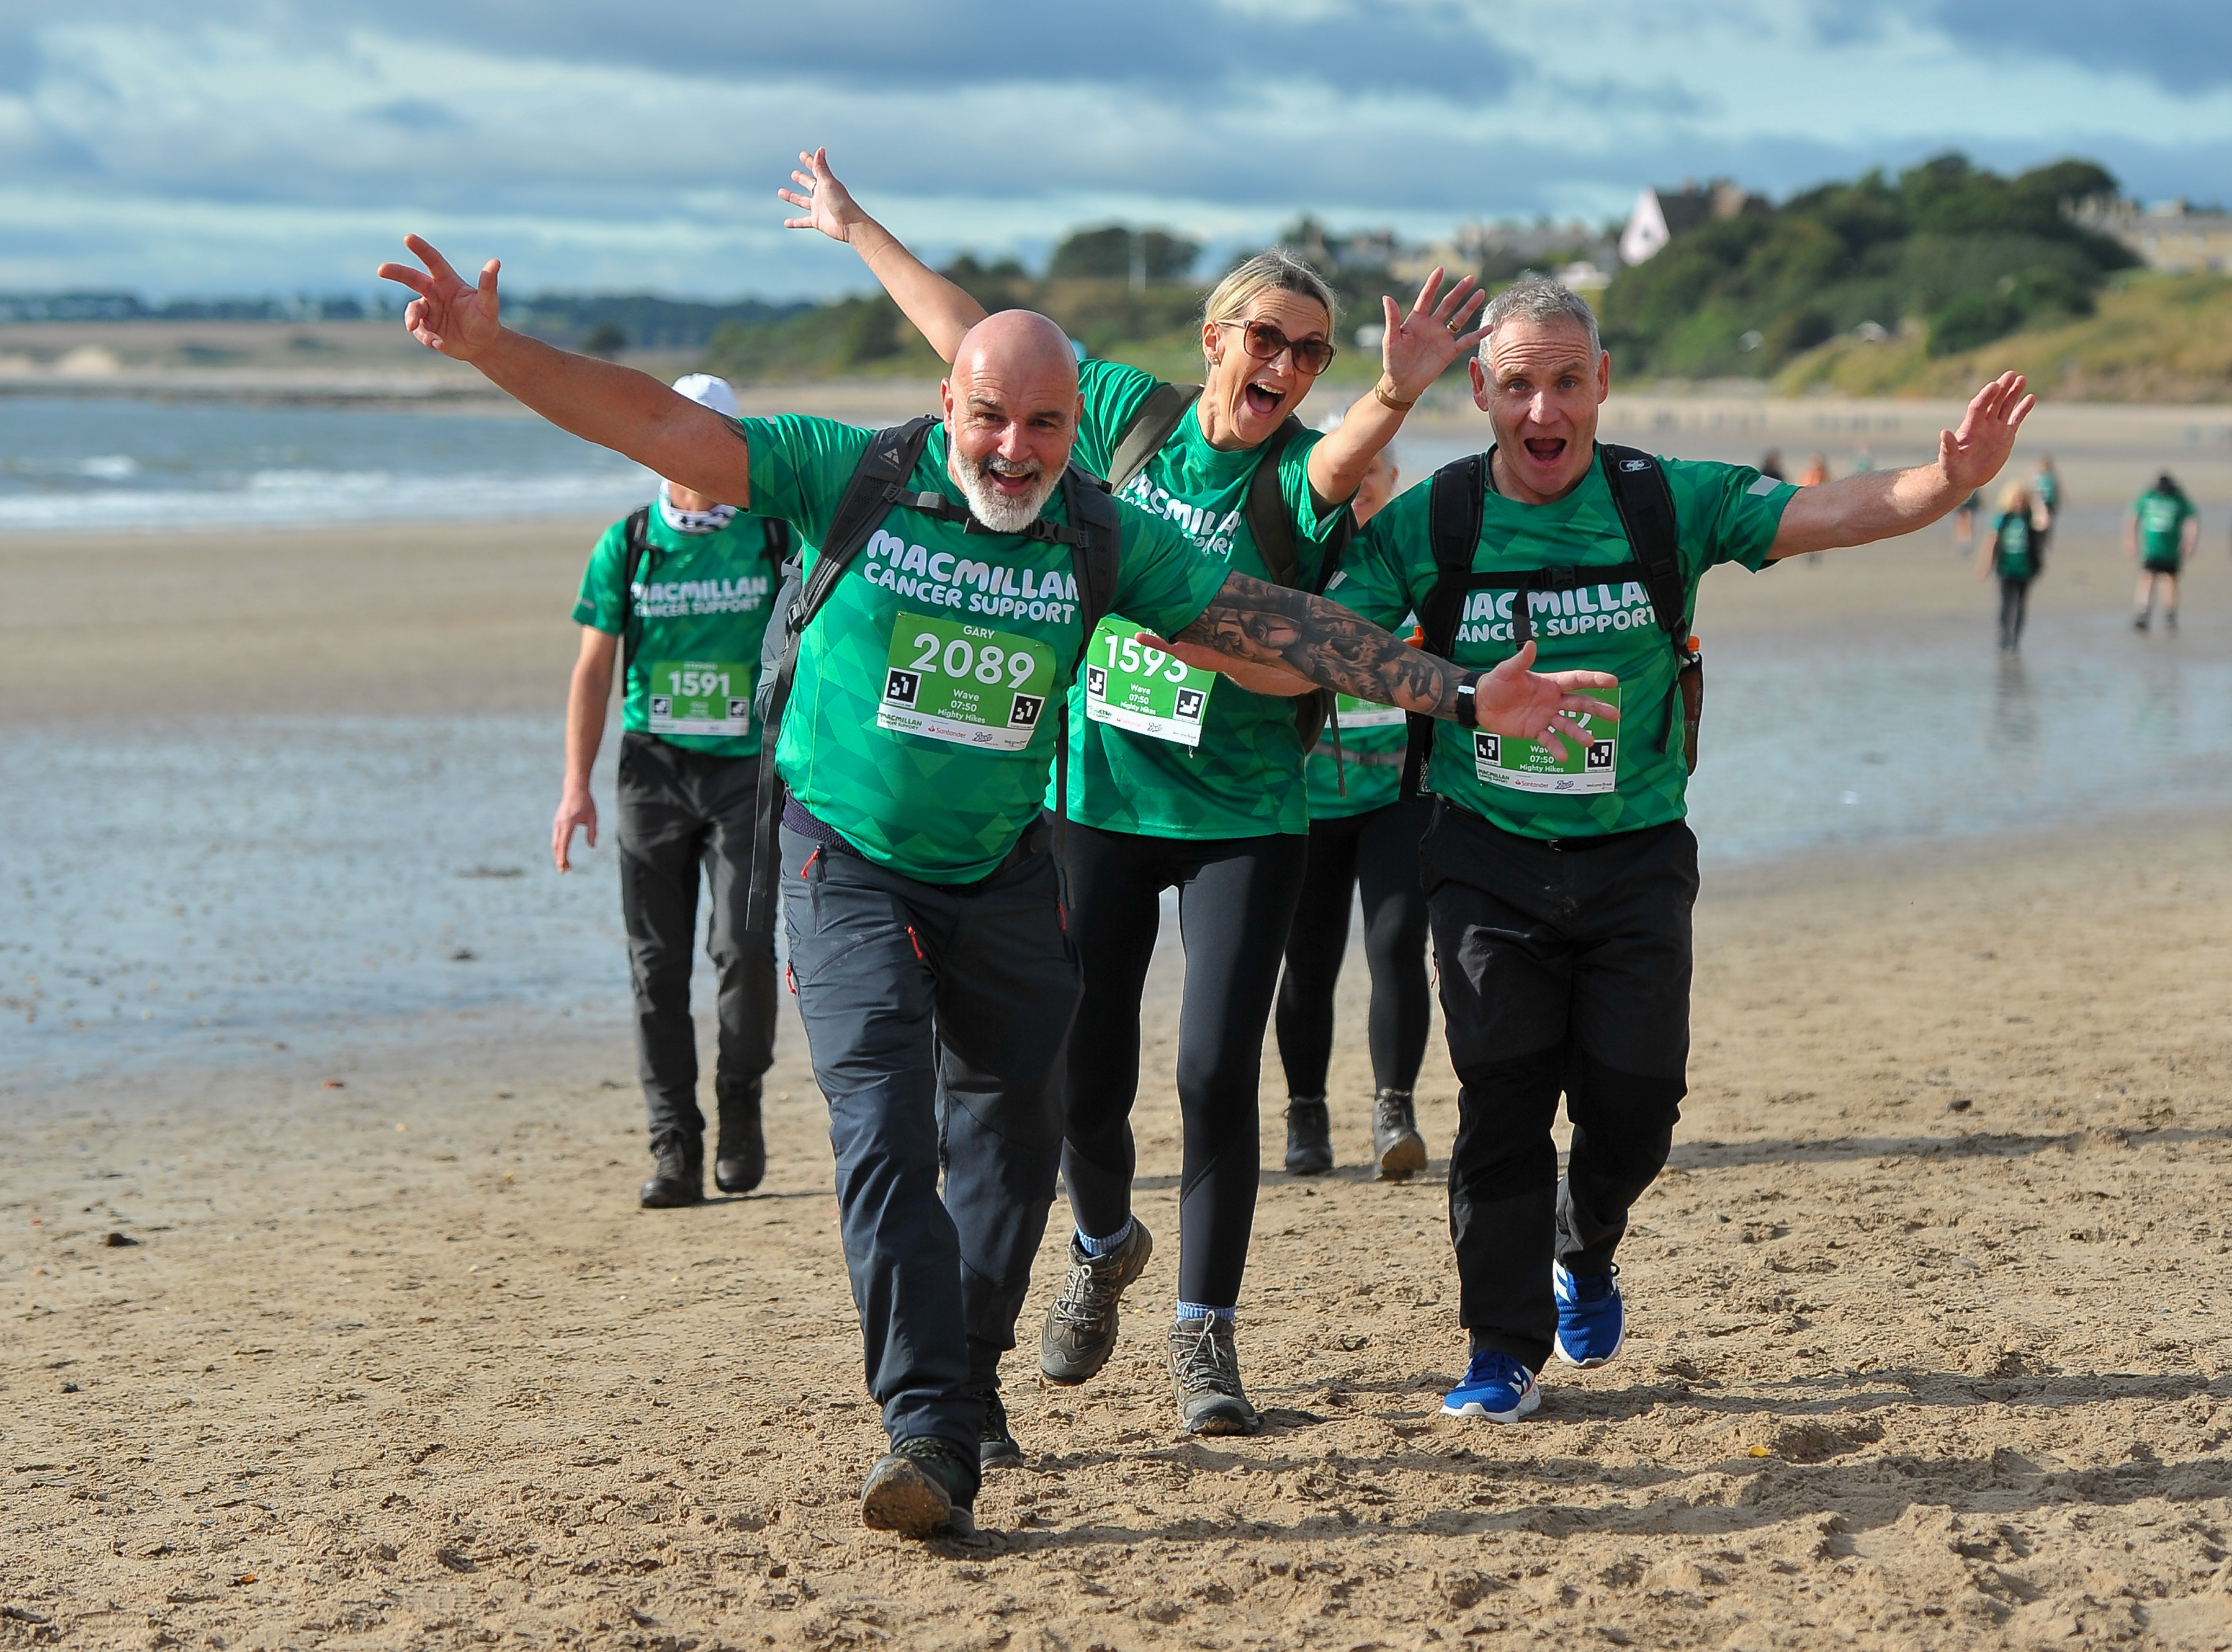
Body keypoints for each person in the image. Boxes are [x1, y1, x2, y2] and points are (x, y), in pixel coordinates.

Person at [380, 238, 1611, 1537]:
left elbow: (1269, 622)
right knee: (881, 1130)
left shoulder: (1096, 531)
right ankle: (927, 1421)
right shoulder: (847, 471)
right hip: (843, 852)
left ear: (1078, 427)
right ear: (946, 407)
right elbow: (650, 416)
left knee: (1016, 1154)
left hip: (1004, 867)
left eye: (1042, 423)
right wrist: (491, 348)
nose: (1013, 449)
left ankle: (959, 1389)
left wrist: (1461, 690)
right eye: (988, 417)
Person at [776, 151, 1485, 1437]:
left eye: (1309, 354)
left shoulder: (1302, 472)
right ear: (1213, 337)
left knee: (1216, 1070)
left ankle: (1204, 1338)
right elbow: (966, 332)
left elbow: (1351, 458)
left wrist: (1392, 387)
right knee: (1078, 1081)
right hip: (1093, 794)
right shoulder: (1118, 417)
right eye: (1264, 336)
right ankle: (1100, 1240)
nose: (1280, 365)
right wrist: (854, 225)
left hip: (1243, 812)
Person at [1318, 277, 2035, 1423]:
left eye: (1565, 381)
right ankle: (1500, 1352)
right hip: (1483, 853)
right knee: (1501, 1102)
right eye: (1517, 386)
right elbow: (1331, 635)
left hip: (1636, 855)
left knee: (1638, 1105)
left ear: (1601, 384)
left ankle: (1586, 1242)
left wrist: (1948, 480)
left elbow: (1832, 511)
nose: (1542, 409)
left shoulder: (1664, 503)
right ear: (1481, 392)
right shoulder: (1436, 521)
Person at [555, 373, 786, 1209]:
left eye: (718, 436)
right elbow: (593, 669)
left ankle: (740, 1099)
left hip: (744, 773)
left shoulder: (772, 538)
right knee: (656, 967)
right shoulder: (629, 543)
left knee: (743, 950)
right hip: (652, 771)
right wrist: (574, 787)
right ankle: (673, 1144)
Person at [1271, 436, 1432, 1180]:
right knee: (1307, 961)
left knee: (1397, 943)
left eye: (1373, 474)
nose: (1360, 487)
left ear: (1392, 479)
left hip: (1396, 793)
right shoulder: (1299, 557)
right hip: (1308, 795)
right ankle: (1307, 1115)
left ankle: (1393, 1109)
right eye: (1348, 475)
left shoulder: (1411, 561)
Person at [1978, 480, 2047, 650]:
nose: (2019, 502)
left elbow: (2044, 522)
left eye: (2022, 499)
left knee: (2021, 604)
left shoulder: (2029, 518)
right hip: (2006, 567)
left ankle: (2015, 638)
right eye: (2016, 499)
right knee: (2006, 603)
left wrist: (2036, 501)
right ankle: (2003, 635)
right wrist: (1985, 564)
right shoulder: (2003, 518)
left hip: (2025, 568)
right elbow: (1991, 540)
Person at [2125, 472, 2198, 632]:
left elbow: (2193, 519)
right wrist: (2131, 540)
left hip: (2171, 551)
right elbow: (2134, 517)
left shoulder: (2179, 499)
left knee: (2169, 581)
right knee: (2147, 578)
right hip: (2151, 550)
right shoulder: (2149, 497)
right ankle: (2142, 613)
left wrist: (2191, 542)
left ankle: (2170, 616)